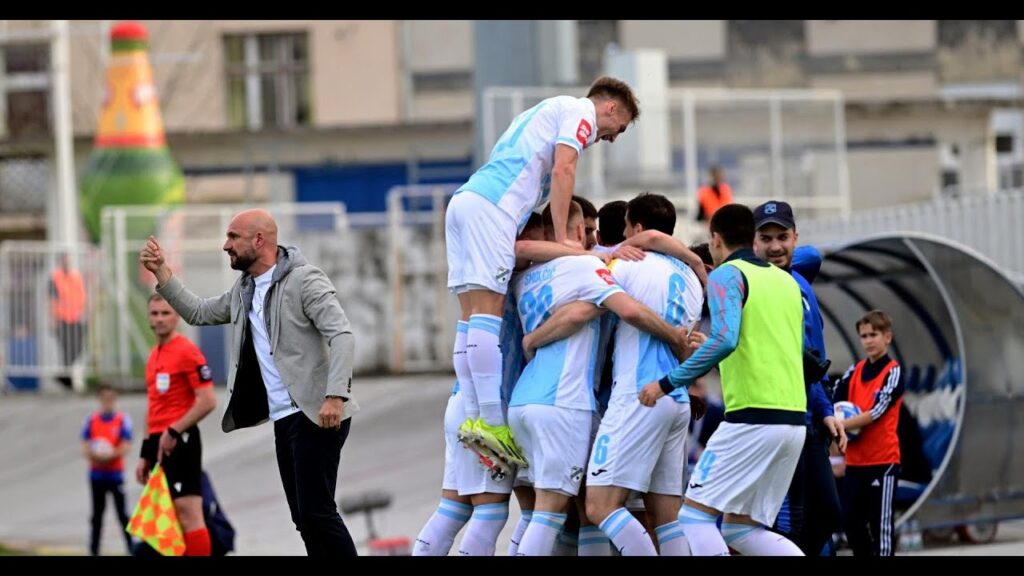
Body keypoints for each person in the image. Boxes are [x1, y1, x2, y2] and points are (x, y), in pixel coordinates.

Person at [139, 208, 361, 557]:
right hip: (284, 419)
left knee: (317, 512)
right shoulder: (244, 289)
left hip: (316, 413)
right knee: (304, 519)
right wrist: (162, 273)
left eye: (233, 237)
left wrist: (335, 396)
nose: (225, 245)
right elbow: (199, 311)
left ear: (259, 240)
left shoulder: (304, 280)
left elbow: (342, 336)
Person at [445, 76, 640, 468]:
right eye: (617, 130)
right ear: (611, 108)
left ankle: (474, 416)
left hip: (465, 201)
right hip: (493, 207)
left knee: (469, 317)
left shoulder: (542, 110)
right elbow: (564, 170)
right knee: (487, 311)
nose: (611, 138)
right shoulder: (580, 113)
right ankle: (492, 423)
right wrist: (568, 242)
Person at [508, 200, 686, 555]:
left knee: (577, 507)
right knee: (552, 512)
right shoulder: (585, 267)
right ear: (575, 231)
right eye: (588, 232)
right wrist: (676, 338)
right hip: (564, 401)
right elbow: (624, 309)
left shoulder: (524, 276)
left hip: (524, 399)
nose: (594, 239)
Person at [639, 204, 806, 556]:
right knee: (740, 530)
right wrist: (715, 353)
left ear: (715, 239)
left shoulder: (726, 275)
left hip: (751, 420)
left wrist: (666, 383)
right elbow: (762, 349)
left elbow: (726, 338)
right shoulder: (786, 282)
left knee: (694, 518)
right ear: (753, 237)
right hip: (792, 421)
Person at [413, 213, 547, 557]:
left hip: (463, 403)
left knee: (454, 509)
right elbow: (520, 249)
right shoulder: (504, 276)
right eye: (543, 233)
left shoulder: (483, 282)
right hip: (485, 409)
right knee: (490, 512)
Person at [584, 193, 705, 556]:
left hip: (639, 395)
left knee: (599, 506)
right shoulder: (692, 279)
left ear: (635, 228)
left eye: (625, 230)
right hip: (676, 399)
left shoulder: (627, 264)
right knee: (666, 518)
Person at [753, 200, 846, 556]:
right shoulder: (754, 285)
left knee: (823, 516)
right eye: (766, 238)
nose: (776, 246)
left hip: (813, 416)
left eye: (783, 236)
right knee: (793, 519)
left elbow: (813, 254)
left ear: (795, 237)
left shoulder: (800, 277)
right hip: (782, 418)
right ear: (752, 242)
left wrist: (825, 411)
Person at [136, 293, 217, 556]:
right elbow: (154, 409)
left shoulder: (187, 351)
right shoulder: (153, 355)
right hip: (160, 443)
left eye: (165, 313)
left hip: (181, 441)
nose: (159, 319)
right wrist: (145, 453)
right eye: (154, 313)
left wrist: (174, 430)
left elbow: (207, 400)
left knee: (189, 513)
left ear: (177, 316)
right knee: (166, 516)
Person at [834, 310, 904, 557]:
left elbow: (876, 412)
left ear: (887, 337)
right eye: (863, 336)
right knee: (850, 521)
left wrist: (843, 425)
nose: (868, 341)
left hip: (882, 461)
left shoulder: (893, 372)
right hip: (855, 461)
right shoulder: (855, 370)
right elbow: (835, 397)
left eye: (873, 334)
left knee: (881, 526)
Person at [81, 384, 134, 555]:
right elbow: (84, 446)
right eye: (104, 399)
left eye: (111, 399)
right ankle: (94, 549)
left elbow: (126, 446)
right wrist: (96, 456)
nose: (107, 403)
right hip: (97, 475)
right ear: (99, 400)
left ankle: (131, 548)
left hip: (115, 474)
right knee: (97, 515)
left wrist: (110, 456)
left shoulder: (122, 420)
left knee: (122, 515)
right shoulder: (91, 420)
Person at [50, 253, 87, 389]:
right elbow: (51, 300)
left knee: (78, 347)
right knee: (66, 349)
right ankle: (66, 377)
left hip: (76, 317)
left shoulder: (76, 276)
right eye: (65, 261)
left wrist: (84, 313)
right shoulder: (55, 278)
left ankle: (64, 374)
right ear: (60, 262)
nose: (67, 263)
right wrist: (53, 319)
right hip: (61, 318)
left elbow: (81, 295)